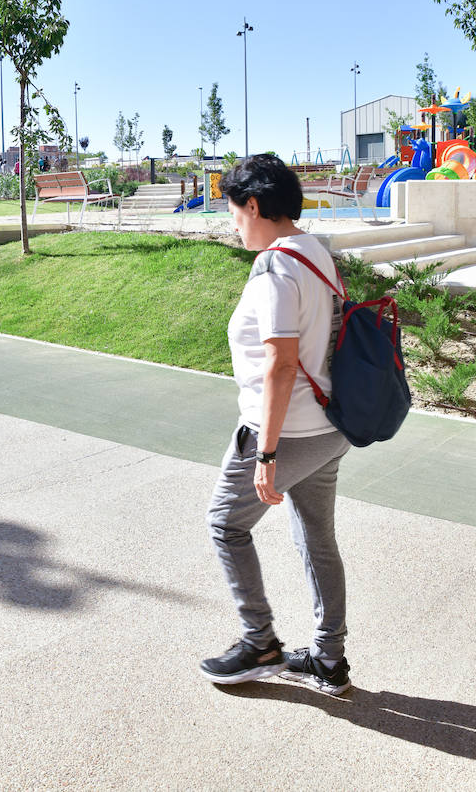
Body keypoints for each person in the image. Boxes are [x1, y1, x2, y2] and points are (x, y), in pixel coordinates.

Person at [200, 154, 353, 697]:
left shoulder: (274, 267)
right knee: (317, 540)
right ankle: (329, 660)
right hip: (330, 427)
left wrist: (265, 455)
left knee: (226, 523)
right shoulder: (318, 253)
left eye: (234, 210)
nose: (233, 222)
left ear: (255, 205)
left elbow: (281, 364)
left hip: (286, 432)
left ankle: (259, 640)